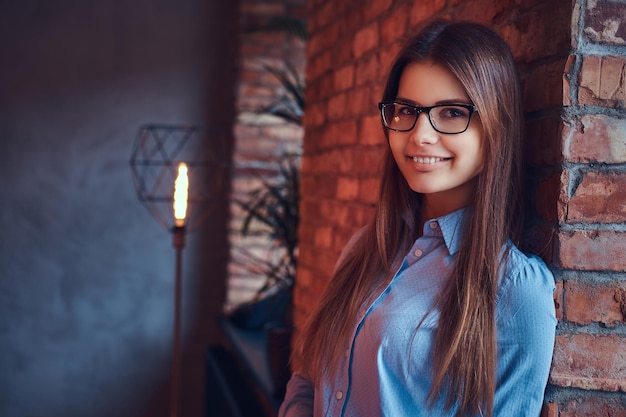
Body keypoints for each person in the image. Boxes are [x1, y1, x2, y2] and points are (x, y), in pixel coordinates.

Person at [279, 20, 557, 417]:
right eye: (407, 110)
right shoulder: (365, 247)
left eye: (451, 112)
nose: (420, 135)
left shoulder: (514, 290)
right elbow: (308, 376)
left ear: (496, 124)